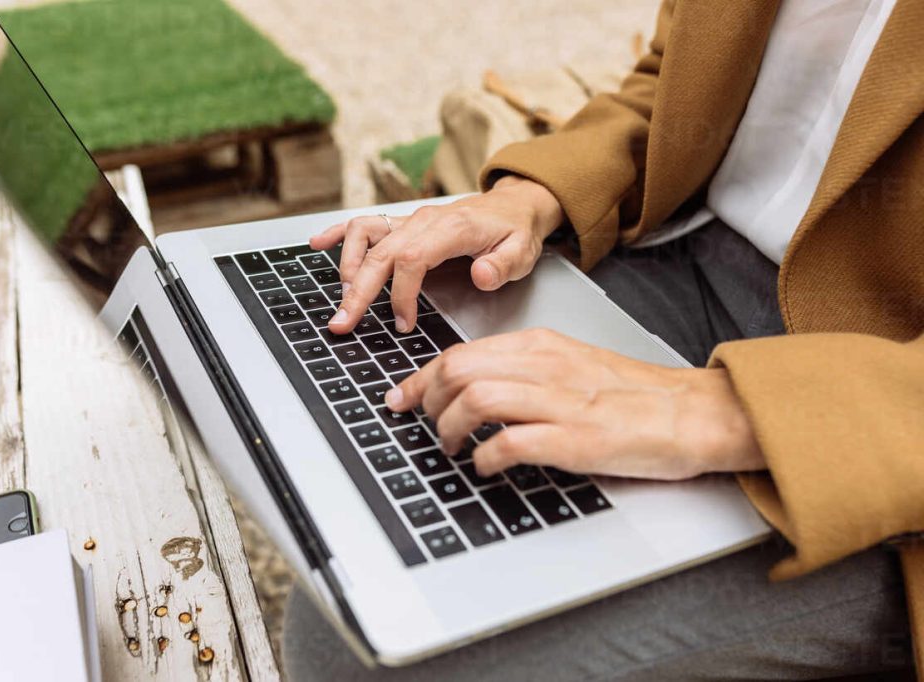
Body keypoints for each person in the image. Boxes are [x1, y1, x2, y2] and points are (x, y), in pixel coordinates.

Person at [284, 1, 924, 679]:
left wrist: (715, 411)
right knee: (368, 535)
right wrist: (534, 194)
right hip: (693, 256)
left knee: (387, 658)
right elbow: (671, 79)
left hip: (879, 417)